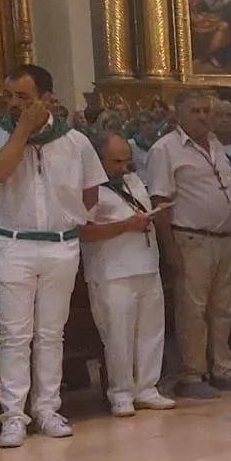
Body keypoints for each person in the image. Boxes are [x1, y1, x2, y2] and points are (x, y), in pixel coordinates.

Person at [0, 65, 108, 446]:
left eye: (24, 97)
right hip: (11, 243)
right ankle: (13, 416)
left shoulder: (74, 141)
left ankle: (48, 408)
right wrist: (22, 129)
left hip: (60, 244)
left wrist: (73, 221)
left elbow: (91, 192)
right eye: (10, 96)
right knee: (15, 335)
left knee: (52, 332)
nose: (14, 104)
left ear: (47, 99)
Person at [148, 90, 231, 399]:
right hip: (190, 239)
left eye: (205, 110)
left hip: (223, 238)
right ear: (178, 115)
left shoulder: (215, 145)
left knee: (223, 308)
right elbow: (160, 203)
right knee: (193, 309)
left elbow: (224, 194)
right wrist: (171, 249)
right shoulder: (165, 150)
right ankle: (192, 374)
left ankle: (223, 368)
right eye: (194, 111)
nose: (203, 116)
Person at [81, 131, 177, 417]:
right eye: (116, 161)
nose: (124, 167)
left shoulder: (133, 180)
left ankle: (147, 387)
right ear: (98, 160)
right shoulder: (88, 190)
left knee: (151, 330)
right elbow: (83, 232)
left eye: (127, 160)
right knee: (118, 336)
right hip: (112, 272)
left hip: (146, 265)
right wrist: (125, 226)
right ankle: (120, 393)